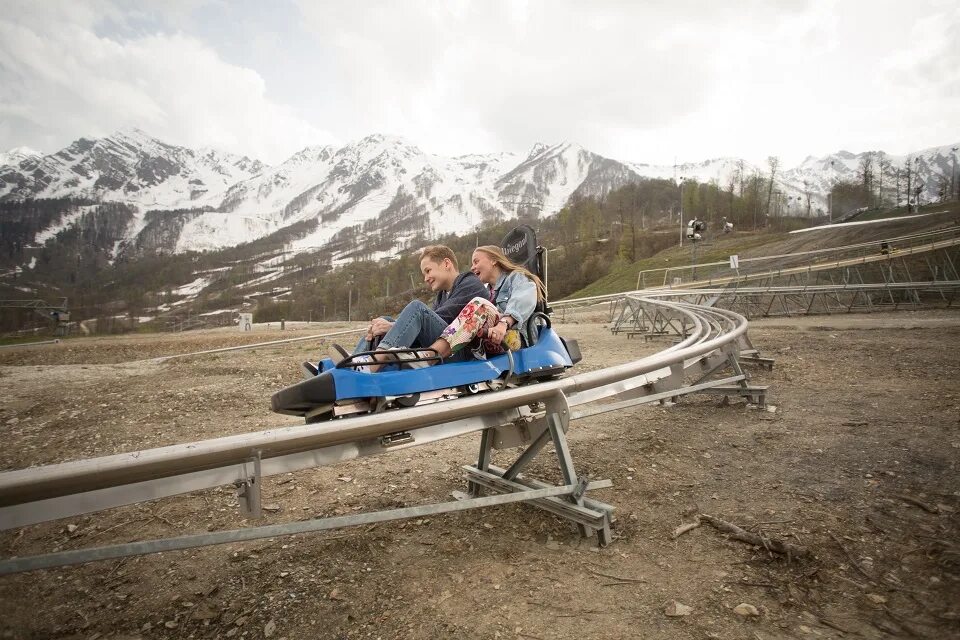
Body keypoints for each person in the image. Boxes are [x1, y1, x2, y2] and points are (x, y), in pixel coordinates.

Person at [365, 245, 545, 371]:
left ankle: (430, 356)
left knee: (479, 305)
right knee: (387, 321)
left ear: (494, 261)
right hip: (484, 342)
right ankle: (360, 361)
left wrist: (504, 323)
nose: (472, 267)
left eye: (476, 261)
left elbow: (525, 298)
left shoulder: (516, 278)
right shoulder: (488, 291)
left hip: (511, 337)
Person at [332, 245, 487, 363]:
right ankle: (357, 357)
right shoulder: (442, 295)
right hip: (443, 346)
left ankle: (370, 362)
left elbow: (444, 322)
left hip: (459, 350)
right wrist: (388, 326)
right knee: (385, 319)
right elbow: (432, 325)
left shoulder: (469, 284)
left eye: (428, 271)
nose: (426, 278)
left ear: (447, 264)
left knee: (416, 308)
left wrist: (393, 327)